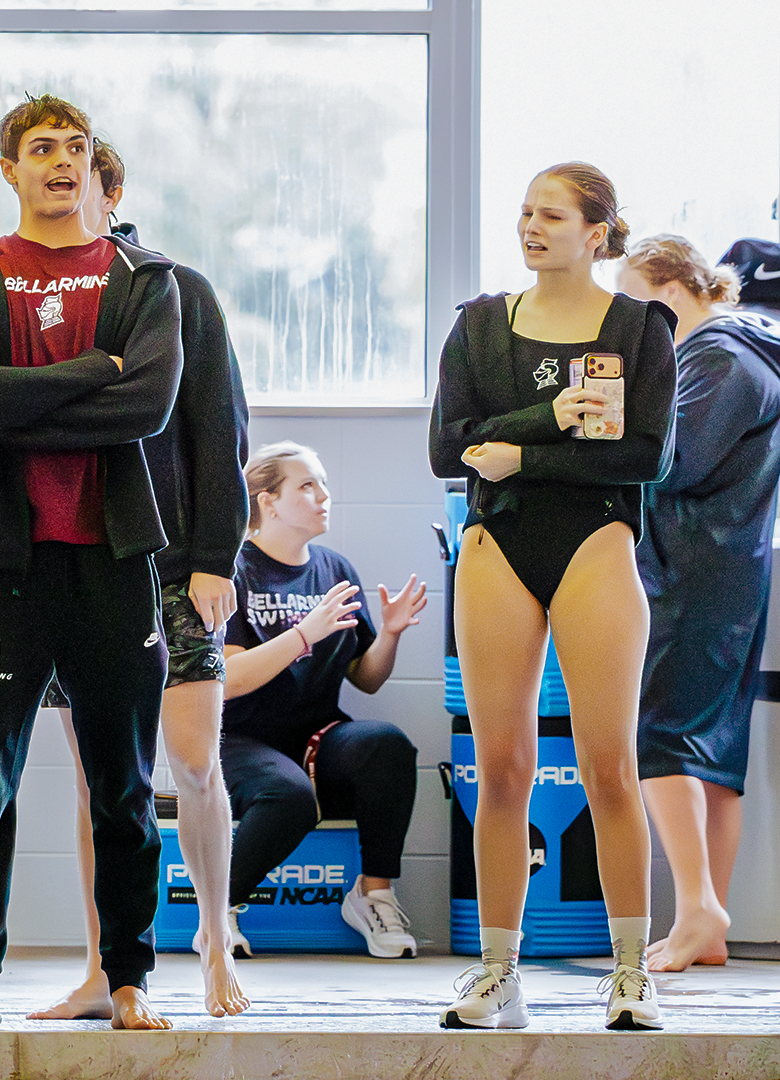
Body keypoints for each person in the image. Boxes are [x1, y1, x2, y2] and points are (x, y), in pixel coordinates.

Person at [0, 95, 184, 1031]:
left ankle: (127, 978)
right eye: (42, 149)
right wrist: (93, 372)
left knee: (122, 785)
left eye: (75, 148)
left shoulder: (145, 280)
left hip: (112, 561)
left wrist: (22, 399)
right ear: (10, 169)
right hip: (4, 561)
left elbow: (146, 407)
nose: (62, 163)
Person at [429, 162, 674, 1031]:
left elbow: (645, 456)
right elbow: (446, 449)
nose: (532, 227)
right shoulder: (481, 327)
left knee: (611, 768)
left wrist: (524, 456)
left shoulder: (641, 329)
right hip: (499, 541)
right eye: (526, 212)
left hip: (596, 539)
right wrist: (545, 421)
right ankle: (498, 973)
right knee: (500, 770)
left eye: (553, 216)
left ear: (597, 233)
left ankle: (630, 972)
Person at [28, 141, 253, 1021]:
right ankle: (102, 966)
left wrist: (213, 559)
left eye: (82, 176)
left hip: (169, 562)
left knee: (194, 764)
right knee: (98, 781)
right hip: (75, 559)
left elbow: (221, 433)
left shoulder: (176, 289)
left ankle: (211, 940)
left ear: (111, 192)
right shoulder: (31, 292)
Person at [616, 236, 780, 972]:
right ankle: (705, 922)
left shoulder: (717, 357)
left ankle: (696, 907)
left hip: (688, 571)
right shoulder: (756, 350)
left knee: (662, 741)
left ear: (674, 288)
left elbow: (673, 463)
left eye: (635, 301)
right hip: (731, 569)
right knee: (716, 754)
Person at [217, 443, 426, 960]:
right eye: (307, 486)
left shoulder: (335, 568)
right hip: (240, 738)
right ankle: (216, 908)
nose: (323, 496)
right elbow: (228, 678)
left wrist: (392, 635)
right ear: (267, 501)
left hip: (316, 737)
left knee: (388, 745)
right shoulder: (233, 570)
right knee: (289, 798)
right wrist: (303, 636)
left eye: (324, 484)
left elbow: (366, 678)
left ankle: (373, 894)